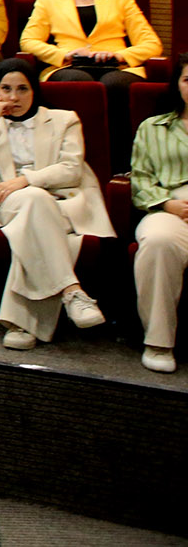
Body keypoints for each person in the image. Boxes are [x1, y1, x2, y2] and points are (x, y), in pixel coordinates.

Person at [0, 58, 112, 349]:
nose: (14, 97)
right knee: (33, 205)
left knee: (33, 225)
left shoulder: (64, 119)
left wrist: (26, 180)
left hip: (61, 202)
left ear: (34, 90)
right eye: (6, 89)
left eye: (22, 89)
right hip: (7, 204)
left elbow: (71, 170)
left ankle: (22, 325)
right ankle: (72, 291)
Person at [21, 0, 161, 153]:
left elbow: (152, 44)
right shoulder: (47, 0)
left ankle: (123, 156)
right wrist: (64, 54)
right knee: (77, 81)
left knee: (115, 83)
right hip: (69, 66)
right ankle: (74, 154)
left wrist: (121, 55)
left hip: (116, 66)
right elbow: (28, 41)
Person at [127, 56, 188, 374]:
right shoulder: (153, 128)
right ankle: (159, 342)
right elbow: (140, 180)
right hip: (169, 208)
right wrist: (167, 204)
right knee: (159, 240)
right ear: (177, 86)